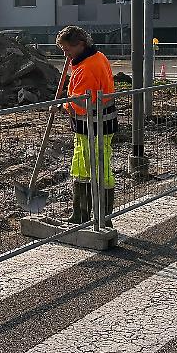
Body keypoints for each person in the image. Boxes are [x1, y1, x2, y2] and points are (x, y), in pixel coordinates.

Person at [56, 25, 117, 224]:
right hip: (93, 125)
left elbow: (82, 104)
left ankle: (99, 218)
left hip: (94, 125)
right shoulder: (95, 58)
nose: (65, 54)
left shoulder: (88, 67)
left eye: (67, 50)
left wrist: (62, 106)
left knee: (97, 169)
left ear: (81, 45)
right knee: (85, 167)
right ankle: (85, 215)